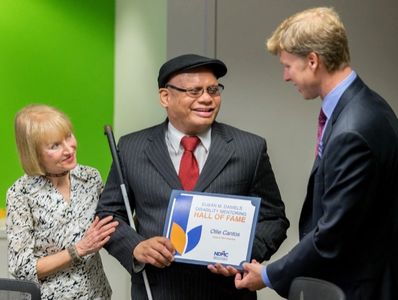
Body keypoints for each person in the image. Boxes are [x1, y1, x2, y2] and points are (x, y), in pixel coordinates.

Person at [234, 7, 398, 300]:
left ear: (313, 61)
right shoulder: (365, 106)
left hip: (357, 289)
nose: (285, 77)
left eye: (288, 66)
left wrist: (269, 275)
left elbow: (332, 235)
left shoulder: (353, 129)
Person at [96, 53, 289, 299]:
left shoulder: (249, 148)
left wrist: (243, 254)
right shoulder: (132, 147)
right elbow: (109, 215)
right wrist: (135, 246)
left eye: (213, 90)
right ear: (165, 96)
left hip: (225, 292)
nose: (207, 99)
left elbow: (273, 217)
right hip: (158, 290)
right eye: (195, 91)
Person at [6, 104, 119, 300]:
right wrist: (79, 250)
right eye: (55, 146)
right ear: (34, 153)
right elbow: (21, 268)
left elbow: (113, 220)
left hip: (98, 294)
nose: (69, 148)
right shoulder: (21, 194)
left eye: (68, 136)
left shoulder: (90, 178)